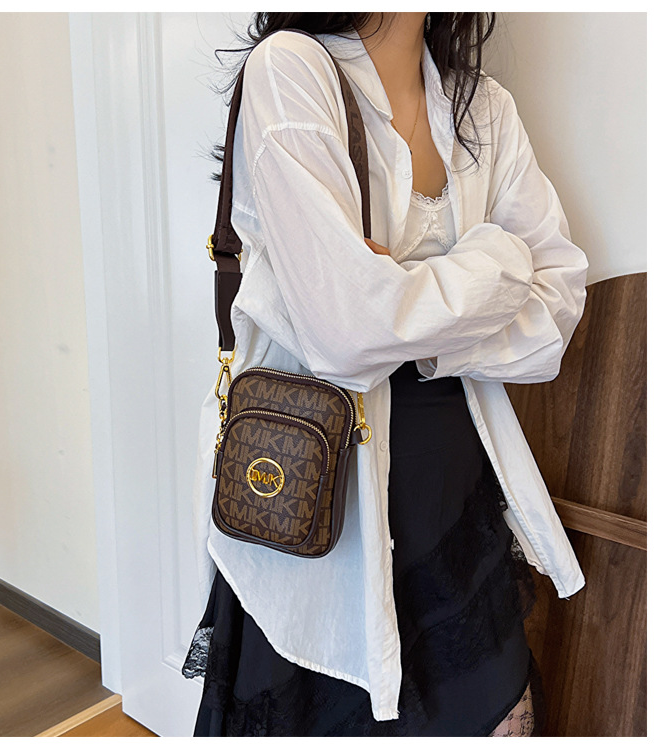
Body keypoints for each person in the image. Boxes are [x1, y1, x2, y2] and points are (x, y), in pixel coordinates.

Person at [182, 11, 588, 737]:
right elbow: (346, 331)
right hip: (318, 511)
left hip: (454, 504)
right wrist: (498, 264)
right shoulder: (293, 69)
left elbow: (555, 317)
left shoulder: (483, 107)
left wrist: (408, 314)